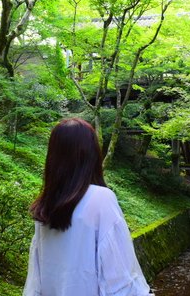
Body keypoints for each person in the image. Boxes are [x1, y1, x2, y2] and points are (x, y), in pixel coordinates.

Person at [23, 118, 153, 296]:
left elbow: (35, 281)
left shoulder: (46, 207)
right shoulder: (101, 199)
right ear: (92, 155)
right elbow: (119, 279)